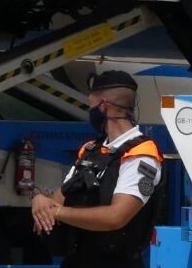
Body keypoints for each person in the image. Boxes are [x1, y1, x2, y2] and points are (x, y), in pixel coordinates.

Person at [30, 70, 163, 268]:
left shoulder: (141, 154)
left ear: (103, 105)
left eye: (90, 106)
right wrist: (39, 200)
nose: (90, 112)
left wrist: (56, 212)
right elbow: (58, 199)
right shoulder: (91, 149)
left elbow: (116, 217)